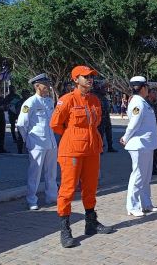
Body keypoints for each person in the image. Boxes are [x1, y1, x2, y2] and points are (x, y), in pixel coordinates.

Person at [50, 65, 113, 248]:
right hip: (72, 151)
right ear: (76, 79)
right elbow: (55, 124)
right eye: (85, 77)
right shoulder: (67, 100)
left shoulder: (95, 100)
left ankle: (91, 223)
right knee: (68, 190)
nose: (90, 79)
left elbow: (98, 121)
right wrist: (73, 136)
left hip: (92, 149)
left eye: (91, 76)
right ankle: (65, 229)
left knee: (91, 187)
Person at [16, 74, 59, 211]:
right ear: (37, 86)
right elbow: (22, 124)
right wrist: (27, 139)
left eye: (47, 83)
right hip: (37, 143)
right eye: (44, 84)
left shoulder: (49, 101)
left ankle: (52, 196)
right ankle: (31, 200)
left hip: (51, 142)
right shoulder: (30, 102)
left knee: (51, 172)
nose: (47, 86)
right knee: (35, 173)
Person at [121, 76, 157, 217]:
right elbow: (134, 123)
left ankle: (146, 203)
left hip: (146, 145)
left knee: (145, 176)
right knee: (137, 176)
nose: (148, 90)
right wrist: (125, 137)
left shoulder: (143, 102)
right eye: (147, 87)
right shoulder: (138, 103)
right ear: (143, 88)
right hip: (139, 145)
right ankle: (132, 206)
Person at [94, 81, 117, 153]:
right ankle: (100, 148)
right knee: (100, 133)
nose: (105, 90)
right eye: (103, 88)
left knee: (109, 132)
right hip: (100, 117)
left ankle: (110, 147)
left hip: (106, 116)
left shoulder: (104, 96)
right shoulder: (95, 96)